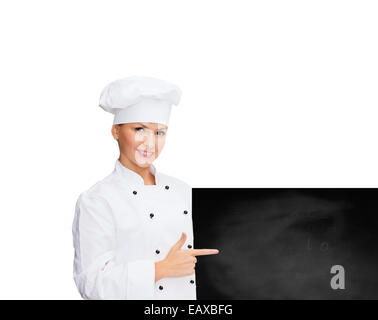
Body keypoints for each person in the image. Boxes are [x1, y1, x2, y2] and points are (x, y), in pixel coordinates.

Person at [72, 76, 219, 300]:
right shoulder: (97, 200)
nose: (150, 144)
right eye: (140, 129)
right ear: (116, 131)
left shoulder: (184, 191)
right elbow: (91, 284)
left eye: (159, 132)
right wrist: (160, 270)